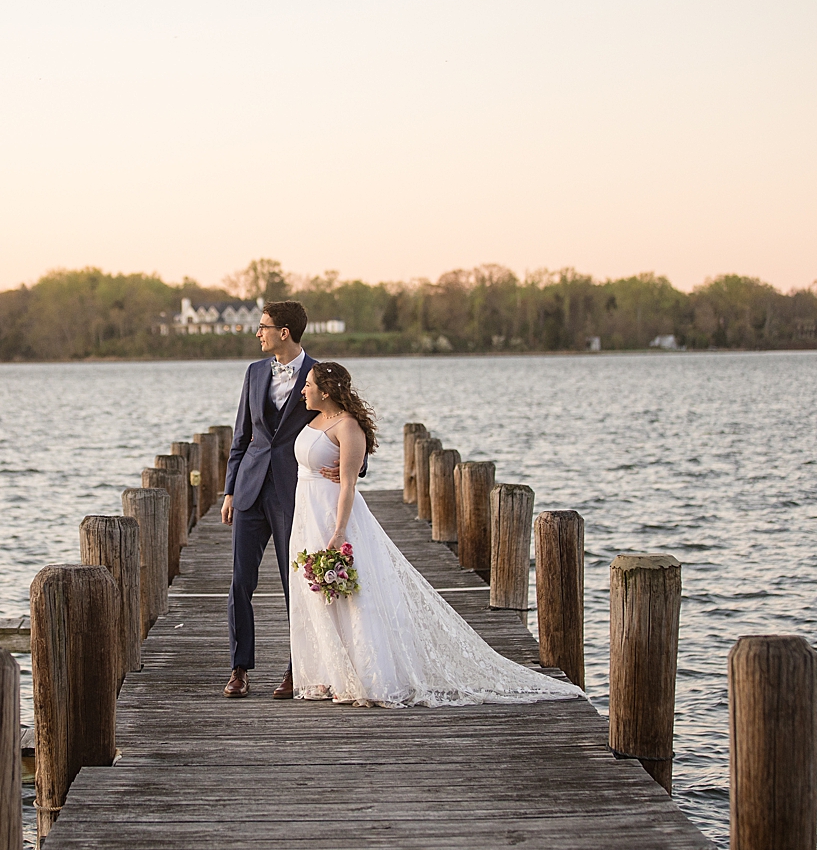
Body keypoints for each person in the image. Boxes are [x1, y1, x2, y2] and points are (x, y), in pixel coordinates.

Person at [287, 361, 585, 707]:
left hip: (335, 517)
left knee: (353, 595)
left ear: (326, 391)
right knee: (319, 595)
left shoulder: (349, 427)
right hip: (308, 514)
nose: (303, 390)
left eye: (308, 385)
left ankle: (370, 677)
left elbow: (350, 483)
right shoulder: (313, 419)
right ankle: (335, 674)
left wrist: (339, 531)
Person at [219, 300, 323, 700]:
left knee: (293, 583)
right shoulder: (254, 372)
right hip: (249, 489)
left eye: (262, 326)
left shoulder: (318, 373)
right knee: (239, 582)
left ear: (284, 332)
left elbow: (344, 422)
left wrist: (351, 468)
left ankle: (298, 668)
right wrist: (229, 489)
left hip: (293, 492)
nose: (257, 333)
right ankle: (239, 668)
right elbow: (241, 436)